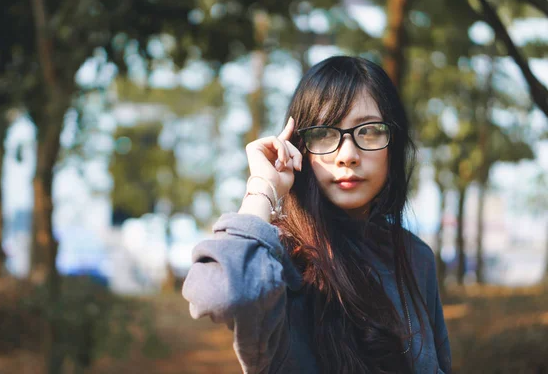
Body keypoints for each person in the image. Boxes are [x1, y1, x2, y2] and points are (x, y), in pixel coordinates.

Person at [182, 56, 451, 373]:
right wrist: (261, 189)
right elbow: (220, 295)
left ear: (394, 143)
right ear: (299, 147)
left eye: (369, 131)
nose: (347, 155)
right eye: (324, 134)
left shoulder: (415, 257)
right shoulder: (278, 260)